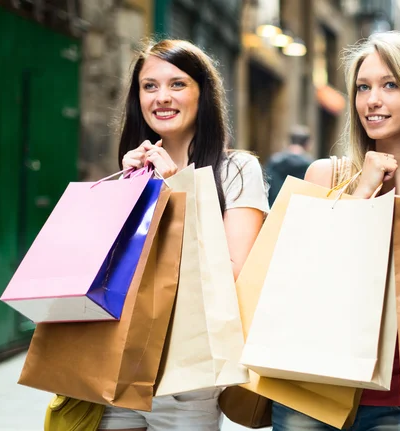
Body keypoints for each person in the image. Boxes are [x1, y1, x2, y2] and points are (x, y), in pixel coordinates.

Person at [271, 31, 400, 431]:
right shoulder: (325, 175)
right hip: (309, 386)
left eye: (390, 85)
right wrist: (362, 191)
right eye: (363, 87)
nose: (372, 100)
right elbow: (296, 278)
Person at [99, 39, 268, 431]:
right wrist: (125, 191)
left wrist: (176, 194)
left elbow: (232, 275)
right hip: (118, 364)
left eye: (177, 84)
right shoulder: (131, 171)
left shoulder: (237, 171)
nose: (162, 97)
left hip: (188, 376)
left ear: (202, 93)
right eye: (149, 86)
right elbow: (111, 274)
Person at [265, 124, 313, 206]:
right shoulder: (311, 166)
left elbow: (267, 186)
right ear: (307, 144)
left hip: (274, 209)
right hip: (297, 210)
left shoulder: (274, 161)